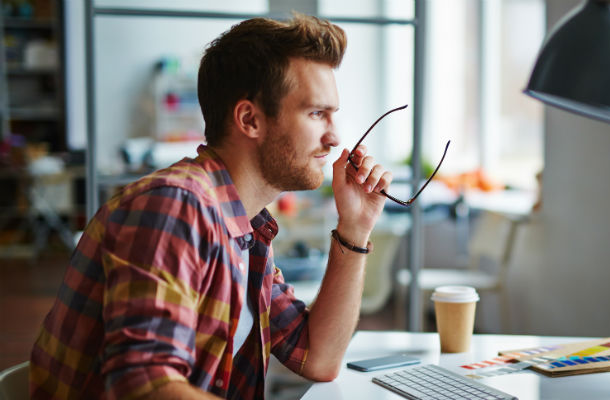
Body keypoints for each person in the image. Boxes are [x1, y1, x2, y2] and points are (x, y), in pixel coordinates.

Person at [30, 14, 392, 399]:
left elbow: (316, 357)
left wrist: (355, 227)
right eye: (317, 113)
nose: (335, 137)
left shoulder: (245, 227)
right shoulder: (174, 207)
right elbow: (144, 386)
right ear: (250, 119)